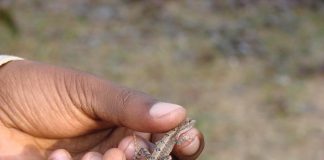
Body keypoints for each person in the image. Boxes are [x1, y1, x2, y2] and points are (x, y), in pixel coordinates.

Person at [0, 55, 204, 160]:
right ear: (180, 130)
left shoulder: (172, 137)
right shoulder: (177, 136)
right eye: (185, 126)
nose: (187, 126)